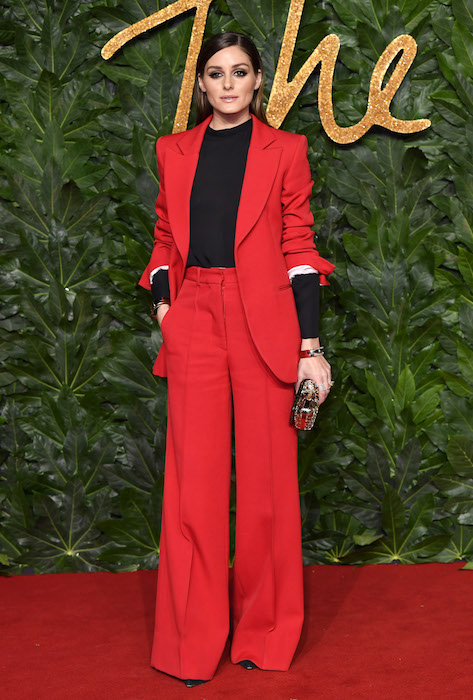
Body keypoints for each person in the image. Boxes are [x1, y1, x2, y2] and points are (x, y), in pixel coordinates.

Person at [138, 31, 336, 688]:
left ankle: (265, 634)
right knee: (190, 489)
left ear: (257, 81)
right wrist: (165, 307)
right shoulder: (172, 150)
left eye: (240, 72)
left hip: (265, 324)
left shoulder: (287, 150)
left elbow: (299, 248)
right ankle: (189, 645)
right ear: (201, 85)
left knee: (266, 490)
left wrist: (309, 347)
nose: (228, 84)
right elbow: (165, 236)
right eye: (216, 73)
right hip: (194, 315)